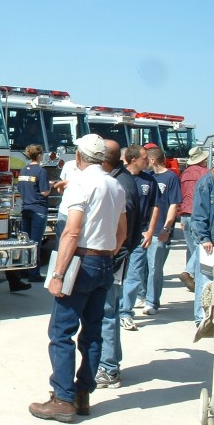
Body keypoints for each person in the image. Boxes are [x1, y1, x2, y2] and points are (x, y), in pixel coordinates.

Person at [29, 134, 126, 422]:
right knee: (93, 331)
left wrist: (58, 273)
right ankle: (83, 393)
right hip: (104, 261)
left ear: (81, 157)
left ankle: (62, 398)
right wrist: (105, 252)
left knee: (61, 333)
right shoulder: (115, 185)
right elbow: (121, 233)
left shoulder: (80, 183)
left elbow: (71, 231)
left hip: (81, 261)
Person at [95, 140, 141, 389]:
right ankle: (108, 364)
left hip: (113, 259)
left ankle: (109, 368)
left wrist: (114, 257)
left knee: (107, 313)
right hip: (116, 257)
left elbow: (124, 230)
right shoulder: (121, 179)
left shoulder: (120, 184)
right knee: (107, 312)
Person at [118, 144, 160, 331]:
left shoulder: (149, 181)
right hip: (118, 235)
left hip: (139, 234)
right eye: (144, 157)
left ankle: (125, 313)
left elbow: (155, 207)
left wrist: (150, 230)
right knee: (115, 276)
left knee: (134, 275)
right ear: (133, 159)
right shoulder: (118, 178)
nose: (148, 160)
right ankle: (110, 310)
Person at [137, 147, 181, 315]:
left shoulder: (171, 178)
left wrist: (166, 228)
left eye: (147, 159)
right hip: (144, 230)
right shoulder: (148, 178)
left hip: (160, 230)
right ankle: (141, 294)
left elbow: (173, 204)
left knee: (155, 268)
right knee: (140, 267)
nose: (145, 162)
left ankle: (152, 302)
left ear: (153, 160)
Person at [15, 144, 50, 282]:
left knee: (26, 242)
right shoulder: (41, 172)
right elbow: (44, 191)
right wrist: (51, 185)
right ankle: (34, 274)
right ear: (40, 155)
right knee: (35, 243)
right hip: (38, 210)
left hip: (26, 209)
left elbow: (20, 188)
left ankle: (23, 270)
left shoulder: (23, 170)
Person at [178, 146, 210, 292]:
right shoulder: (206, 174)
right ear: (202, 160)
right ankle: (189, 272)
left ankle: (192, 276)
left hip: (185, 215)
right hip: (199, 215)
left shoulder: (184, 174)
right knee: (200, 249)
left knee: (192, 249)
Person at [190, 168, 214, 327]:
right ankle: (201, 318)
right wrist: (204, 238)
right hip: (209, 242)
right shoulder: (206, 184)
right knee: (205, 279)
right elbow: (199, 214)